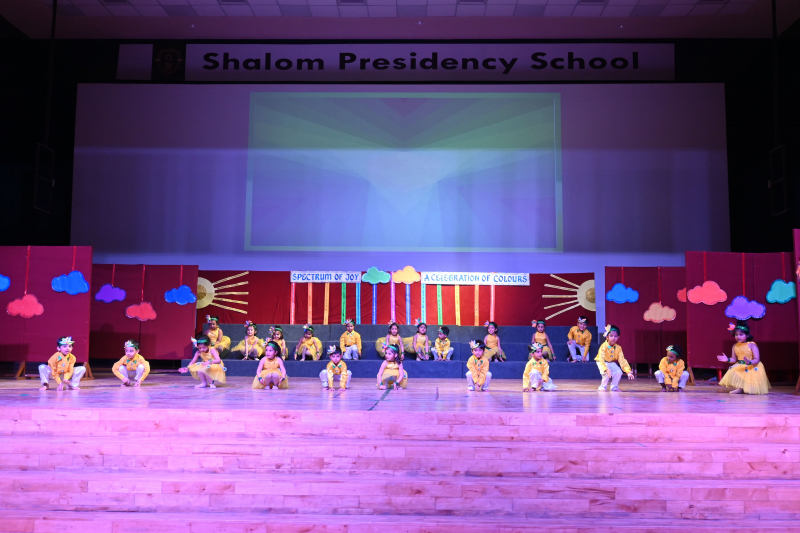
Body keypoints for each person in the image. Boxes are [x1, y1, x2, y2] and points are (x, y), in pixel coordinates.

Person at [717, 321, 771, 395]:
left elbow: (757, 359)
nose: (738, 337)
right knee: (734, 370)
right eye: (736, 335)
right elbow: (734, 359)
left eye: (741, 334)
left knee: (750, 390)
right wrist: (728, 359)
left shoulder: (752, 345)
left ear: (747, 335)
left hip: (752, 366)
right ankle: (740, 388)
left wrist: (749, 362)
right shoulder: (735, 346)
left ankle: (746, 387)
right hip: (741, 365)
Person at [595, 325, 634, 392]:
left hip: (611, 362)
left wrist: (628, 371)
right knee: (606, 373)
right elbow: (601, 358)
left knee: (618, 372)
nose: (613, 338)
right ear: (607, 337)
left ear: (618, 337)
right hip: (601, 362)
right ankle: (602, 387)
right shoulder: (603, 346)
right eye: (611, 336)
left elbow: (622, 360)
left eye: (616, 336)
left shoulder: (618, 348)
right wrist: (605, 369)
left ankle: (614, 387)